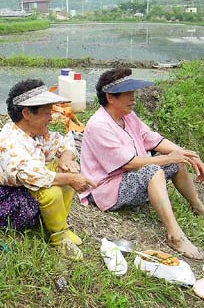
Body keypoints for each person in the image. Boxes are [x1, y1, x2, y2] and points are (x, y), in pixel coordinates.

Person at [80, 68, 204, 259]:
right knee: (154, 170)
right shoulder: (99, 125)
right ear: (110, 97)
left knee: (175, 160)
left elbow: (154, 140)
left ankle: (198, 206)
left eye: (133, 93)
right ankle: (175, 236)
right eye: (128, 94)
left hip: (128, 177)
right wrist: (169, 157)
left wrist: (186, 154)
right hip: (107, 189)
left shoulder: (128, 116)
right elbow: (129, 163)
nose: (133, 98)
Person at [0, 79, 96, 261]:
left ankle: (59, 224)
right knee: (52, 189)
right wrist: (70, 179)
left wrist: (66, 158)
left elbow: (63, 142)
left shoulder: (36, 134)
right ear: (27, 113)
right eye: (46, 113)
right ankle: (58, 237)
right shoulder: (11, 142)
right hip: (8, 203)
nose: (51, 118)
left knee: (66, 171)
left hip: (28, 189)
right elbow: (36, 176)